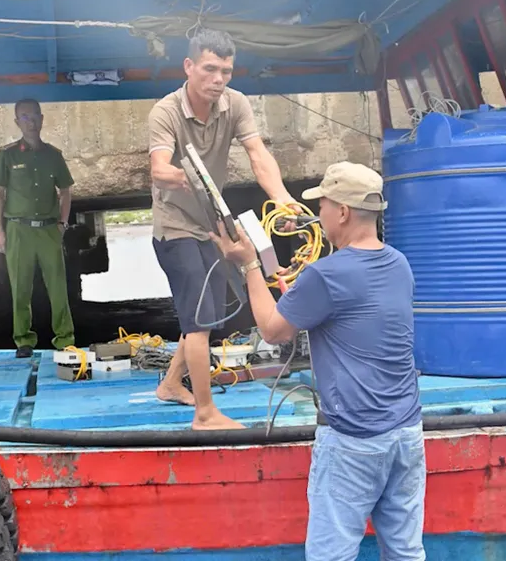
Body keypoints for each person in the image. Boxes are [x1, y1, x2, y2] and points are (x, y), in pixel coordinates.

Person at [212, 162, 426, 560]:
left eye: (323, 204)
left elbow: (274, 331)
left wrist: (249, 264)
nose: (318, 214)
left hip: (352, 440)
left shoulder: (325, 276)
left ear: (342, 212)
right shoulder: (399, 263)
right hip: (406, 433)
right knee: (405, 552)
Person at [148, 28, 299, 430]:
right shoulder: (165, 111)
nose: (219, 79)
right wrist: (174, 175)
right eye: (210, 69)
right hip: (174, 226)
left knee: (208, 315)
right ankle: (205, 413)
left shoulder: (234, 104)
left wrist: (283, 197)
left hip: (211, 222)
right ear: (189, 66)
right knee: (198, 320)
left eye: (226, 72)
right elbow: (158, 166)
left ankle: (169, 384)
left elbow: (257, 155)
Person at [0, 98, 76, 358]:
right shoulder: (7, 155)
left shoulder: (54, 155)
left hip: (48, 229)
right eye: (24, 117)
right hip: (18, 229)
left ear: (42, 118)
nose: (31, 121)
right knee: (20, 286)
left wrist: (62, 222)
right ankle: (23, 340)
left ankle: (64, 338)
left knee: (58, 285)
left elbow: (66, 191)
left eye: (34, 116)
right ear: (18, 122)